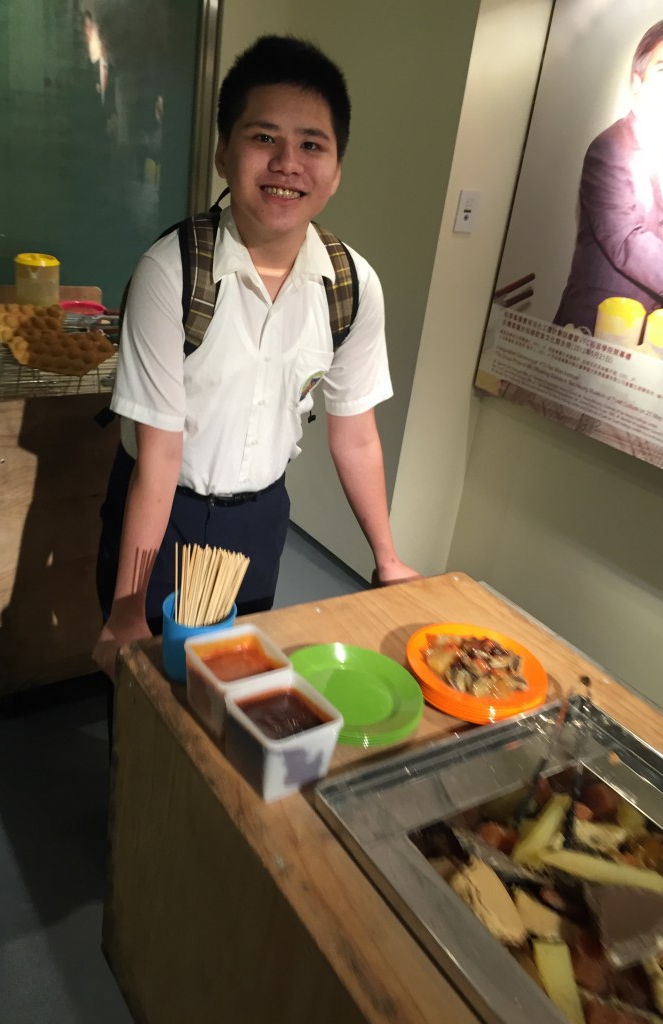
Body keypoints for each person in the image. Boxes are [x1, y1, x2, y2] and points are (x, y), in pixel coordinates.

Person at [94, 35, 419, 680]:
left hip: (260, 521)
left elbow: (355, 435)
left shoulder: (353, 285)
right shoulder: (172, 273)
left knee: (235, 691)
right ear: (223, 153)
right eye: (264, 137)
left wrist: (387, 558)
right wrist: (128, 608)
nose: (287, 163)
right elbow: (159, 456)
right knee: (147, 694)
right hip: (164, 514)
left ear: (337, 169)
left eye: (312, 145)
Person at [554, 18, 663, 333]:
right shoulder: (609, 148)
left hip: (642, 327)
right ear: (637, 81)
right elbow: (628, 241)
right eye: (662, 68)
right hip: (592, 327)